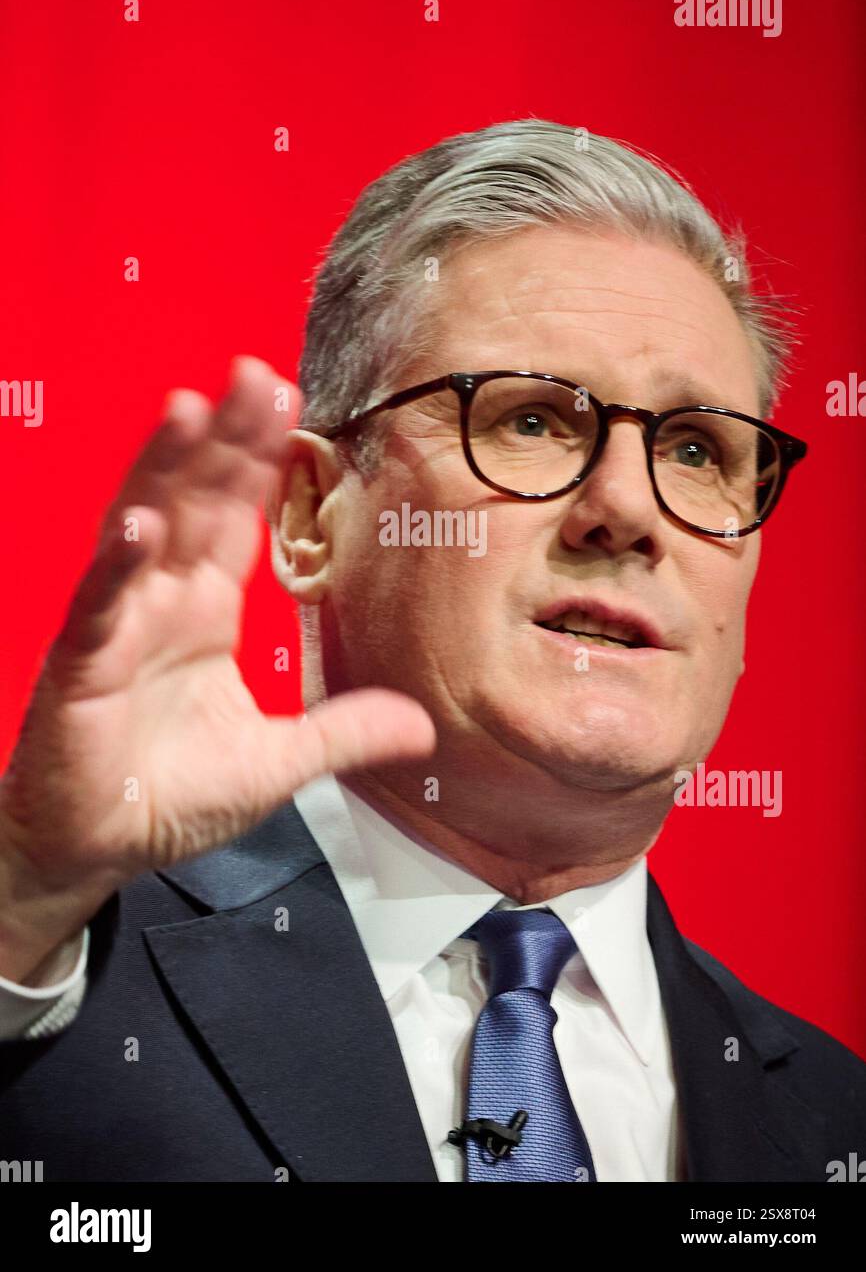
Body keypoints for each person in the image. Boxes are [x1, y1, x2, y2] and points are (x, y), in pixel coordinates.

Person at [0, 120, 863, 1183]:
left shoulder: (833, 1122)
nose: (629, 509)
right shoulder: (48, 974)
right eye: (534, 420)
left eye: (695, 449)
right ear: (315, 514)